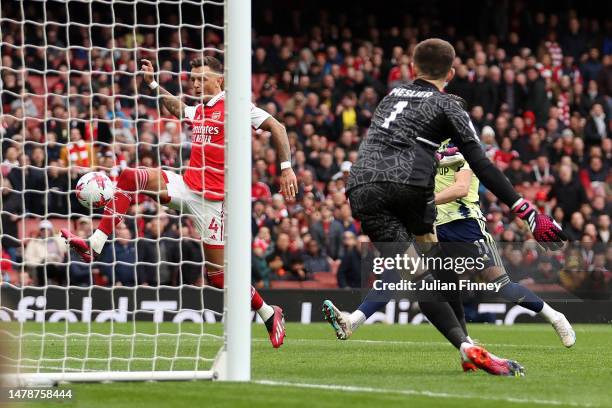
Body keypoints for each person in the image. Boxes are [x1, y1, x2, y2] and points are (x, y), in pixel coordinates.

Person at [322, 38, 566, 376]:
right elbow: (481, 162)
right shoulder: (448, 104)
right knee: (432, 275)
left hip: (362, 187)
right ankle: (467, 345)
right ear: (451, 72)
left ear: (411, 68)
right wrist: (526, 212)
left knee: (423, 277)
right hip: (410, 188)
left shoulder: (390, 97)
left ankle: (466, 346)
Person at [62, 56, 298, 348]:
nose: (196, 83)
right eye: (193, 78)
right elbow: (176, 107)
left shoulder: (236, 106)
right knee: (129, 177)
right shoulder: (199, 110)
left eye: (202, 78)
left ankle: (267, 312)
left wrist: (286, 167)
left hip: (213, 203)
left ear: (219, 80)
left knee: (218, 278)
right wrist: (152, 84)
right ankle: (94, 244)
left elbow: (277, 127)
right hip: (186, 186)